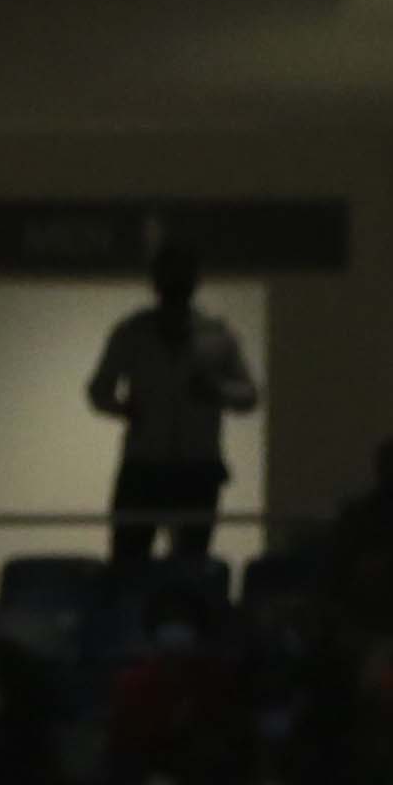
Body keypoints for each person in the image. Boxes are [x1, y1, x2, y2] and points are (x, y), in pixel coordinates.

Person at [90, 238, 260, 580]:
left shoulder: (216, 335)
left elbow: (250, 395)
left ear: (195, 281)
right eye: (168, 276)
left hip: (198, 464)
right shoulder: (132, 333)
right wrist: (124, 409)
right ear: (155, 282)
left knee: (192, 566)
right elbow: (98, 389)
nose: (175, 284)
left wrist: (217, 391)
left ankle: (184, 627)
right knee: (128, 562)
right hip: (144, 463)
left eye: (182, 276)